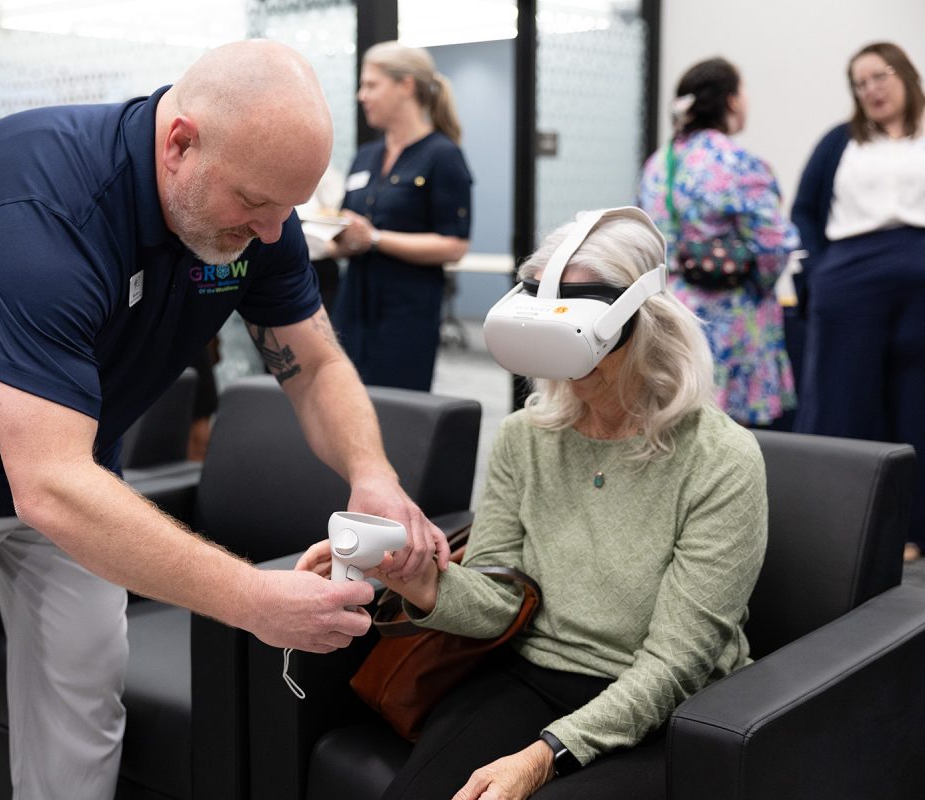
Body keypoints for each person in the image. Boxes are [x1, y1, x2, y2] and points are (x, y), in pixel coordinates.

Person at [0, 40, 447, 800]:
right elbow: (47, 487)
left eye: (285, 212)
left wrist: (371, 473)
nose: (268, 233)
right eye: (252, 206)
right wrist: (252, 600)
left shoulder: (262, 215)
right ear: (179, 142)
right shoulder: (41, 210)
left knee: (85, 681)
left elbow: (314, 365)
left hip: (72, 455)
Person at [299, 208, 768, 799]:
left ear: (642, 324)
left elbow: (676, 663)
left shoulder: (720, 458)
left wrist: (545, 754)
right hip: (528, 675)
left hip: (663, 702)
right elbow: (500, 599)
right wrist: (419, 581)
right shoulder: (528, 436)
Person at [791, 41, 925, 563]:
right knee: (841, 402)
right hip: (849, 282)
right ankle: (833, 528)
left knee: (916, 404)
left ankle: (912, 532)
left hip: (920, 285)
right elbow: (804, 212)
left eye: (878, 76)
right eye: (859, 82)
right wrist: (817, 272)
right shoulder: (839, 142)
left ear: (905, 75)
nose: (870, 89)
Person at [637, 57, 800, 428]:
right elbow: (775, 244)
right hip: (731, 317)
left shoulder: (659, 164)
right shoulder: (737, 162)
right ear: (731, 101)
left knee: (679, 423)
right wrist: (758, 285)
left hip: (671, 312)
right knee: (734, 434)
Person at [329, 41, 473, 391]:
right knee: (345, 397)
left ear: (406, 86)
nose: (361, 96)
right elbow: (353, 229)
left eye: (371, 85)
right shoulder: (366, 156)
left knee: (396, 409)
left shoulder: (443, 155)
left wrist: (375, 239)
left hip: (406, 311)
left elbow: (454, 245)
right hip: (353, 303)